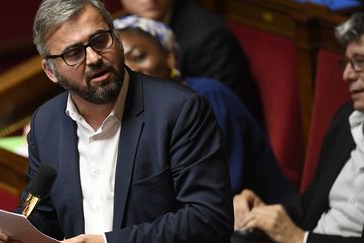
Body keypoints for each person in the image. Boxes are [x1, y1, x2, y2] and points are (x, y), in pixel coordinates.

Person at [0, 0, 233, 242]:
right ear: (50, 71)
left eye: (100, 40)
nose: (93, 58)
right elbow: (44, 215)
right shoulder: (46, 123)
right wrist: (10, 230)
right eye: (73, 53)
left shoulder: (179, 110)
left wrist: (106, 242)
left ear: (118, 39)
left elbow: (209, 219)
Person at [113, 14, 294, 203]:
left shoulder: (207, 96)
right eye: (121, 64)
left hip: (253, 212)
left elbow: (223, 186)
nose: (130, 70)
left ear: (170, 57)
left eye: (139, 56)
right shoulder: (132, 109)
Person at [233, 12, 364, 243]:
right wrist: (263, 213)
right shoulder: (347, 118)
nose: (347, 75)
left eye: (360, 62)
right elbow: (310, 203)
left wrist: (300, 239)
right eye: (346, 63)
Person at [120, 0, 264, 126]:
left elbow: (221, 112)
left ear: (170, 57)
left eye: (139, 56)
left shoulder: (207, 37)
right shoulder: (120, 26)